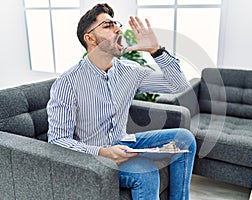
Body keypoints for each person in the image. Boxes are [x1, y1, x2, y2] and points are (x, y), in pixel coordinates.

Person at [47, 3, 196, 200]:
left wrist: (156, 51)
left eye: (116, 24)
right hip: (94, 155)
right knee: (146, 171)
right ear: (90, 38)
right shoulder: (68, 82)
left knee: (185, 138)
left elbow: (178, 86)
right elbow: (57, 140)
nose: (118, 28)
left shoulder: (130, 71)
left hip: (123, 142)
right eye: (107, 26)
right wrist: (102, 152)